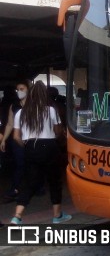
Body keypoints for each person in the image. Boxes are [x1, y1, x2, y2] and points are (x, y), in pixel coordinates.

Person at [9, 81, 72, 225]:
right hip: (49, 146)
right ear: (45, 95)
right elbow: (57, 131)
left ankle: (17, 216)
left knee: (30, 182)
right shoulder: (50, 110)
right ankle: (57, 216)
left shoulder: (21, 112)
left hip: (30, 147)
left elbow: (16, 137)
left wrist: (26, 146)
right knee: (54, 182)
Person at [0, 80, 30, 202]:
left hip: (32, 139)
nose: (19, 92)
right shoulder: (14, 106)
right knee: (20, 164)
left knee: (34, 163)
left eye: (22, 89)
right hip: (17, 140)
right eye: (18, 89)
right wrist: (4, 140)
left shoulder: (34, 105)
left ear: (28, 89)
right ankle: (14, 188)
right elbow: (10, 124)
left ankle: (37, 186)